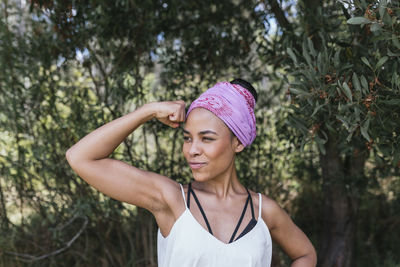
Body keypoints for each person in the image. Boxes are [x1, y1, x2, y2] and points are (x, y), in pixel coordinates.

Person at [66, 79, 317, 267]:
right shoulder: (171, 200)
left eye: (206, 139)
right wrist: (149, 111)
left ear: (237, 143)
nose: (192, 151)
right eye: (187, 138)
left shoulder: (265, 211)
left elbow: (306, 255)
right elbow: (81, 158)